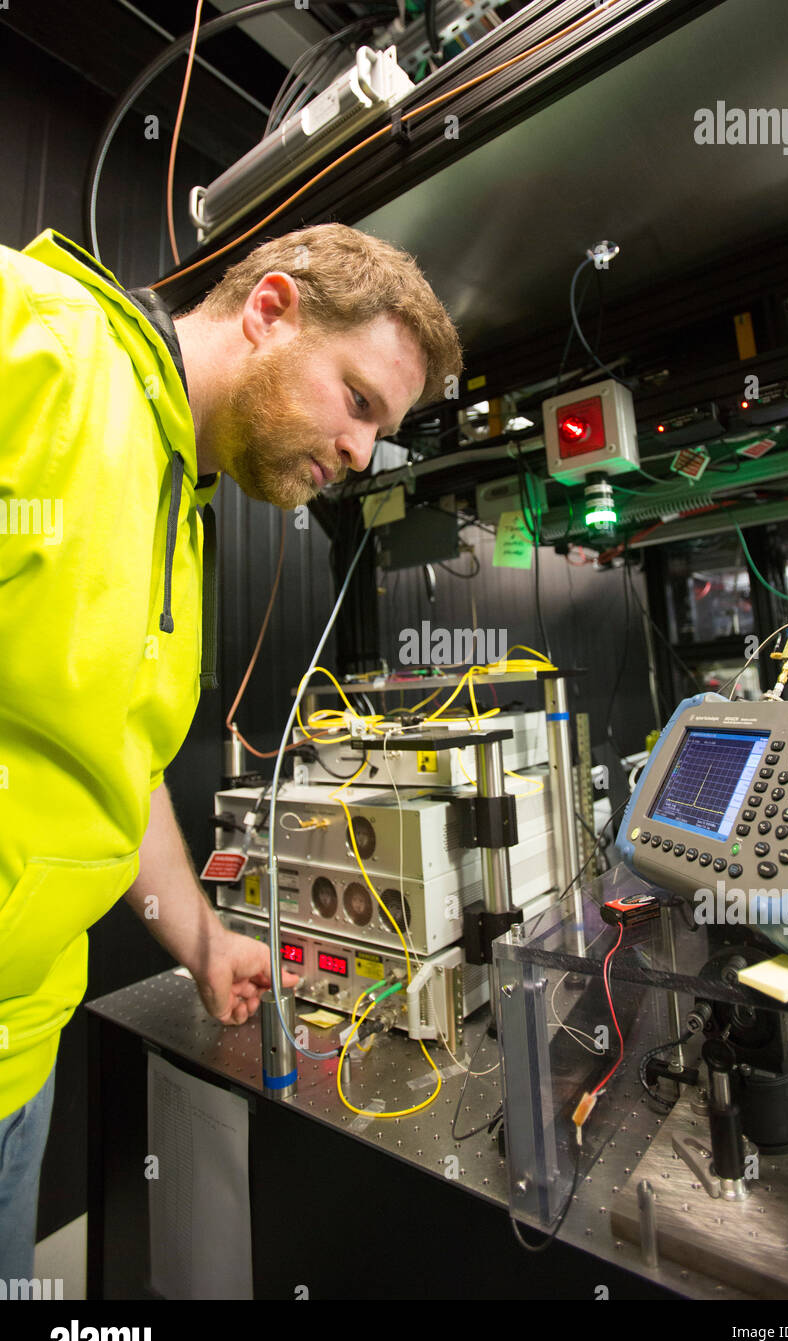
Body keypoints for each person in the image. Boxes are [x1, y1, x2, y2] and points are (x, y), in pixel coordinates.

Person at [0, 221, 463, 1284]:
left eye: (379, 430)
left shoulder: (182, 501)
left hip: (23, 1058)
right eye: (357, 401)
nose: (358, 454)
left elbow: (117, 761)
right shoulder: (39, 343)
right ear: (271, 310)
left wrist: (203, 944)